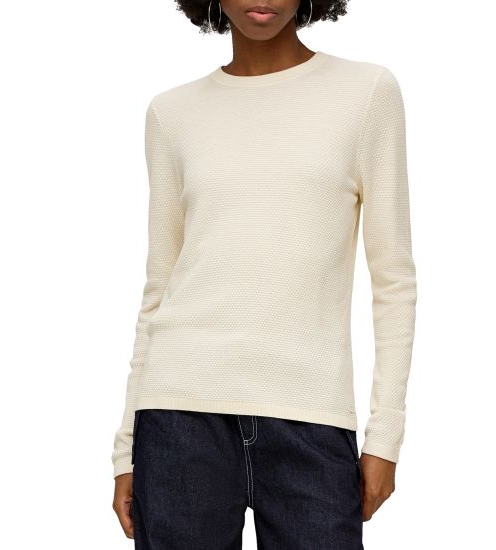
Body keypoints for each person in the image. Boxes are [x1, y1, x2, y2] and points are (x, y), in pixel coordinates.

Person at [111, 1, 417, 548]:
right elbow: (160, 286)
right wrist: (127, 447)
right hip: (180, 415)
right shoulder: (171, 113)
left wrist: (385, 436)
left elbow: (393, 279)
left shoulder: (367, 93)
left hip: (310, 414)